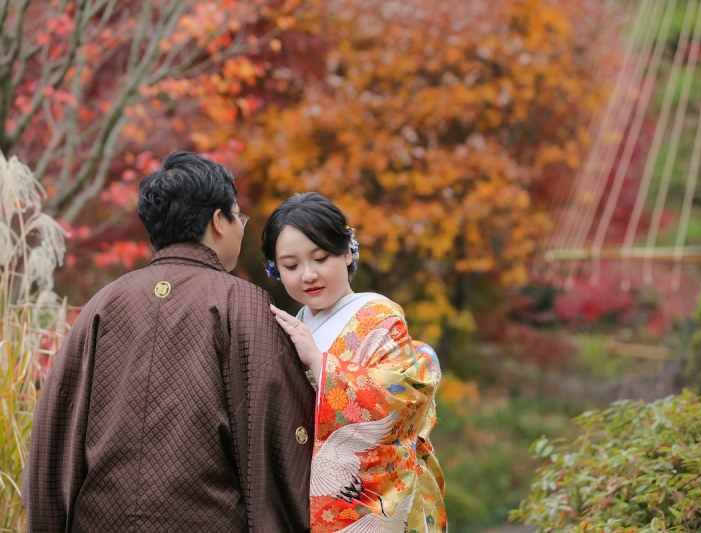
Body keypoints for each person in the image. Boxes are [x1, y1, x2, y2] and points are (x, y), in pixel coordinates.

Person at [23, 152, 315, 532]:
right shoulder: (244, 304)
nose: (241, 228)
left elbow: (55, 426)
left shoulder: (105, 302)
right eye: (238, 216)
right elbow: (280, 433)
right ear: (218, 221)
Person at [262, 192, 446, 533]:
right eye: (291, 266)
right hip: (303, 493)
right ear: (275, 270)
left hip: (364, 500)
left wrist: (321, 366)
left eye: (320, 258)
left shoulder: (379, 318)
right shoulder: (294, 323)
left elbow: (403, 403)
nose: (308, 275)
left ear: (347, 251)